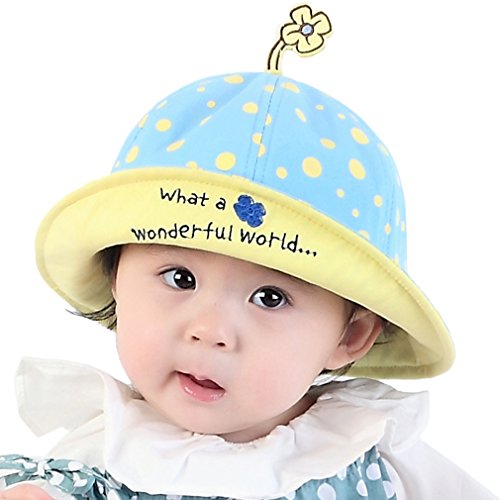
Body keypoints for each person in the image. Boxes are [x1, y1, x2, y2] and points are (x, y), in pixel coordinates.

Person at [0, 4, 497, 499]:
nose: (210, 331)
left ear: (352, 334)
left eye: (270, 298)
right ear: (116, 280)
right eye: (179, 277)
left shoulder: (369, 447)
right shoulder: (105, 462)